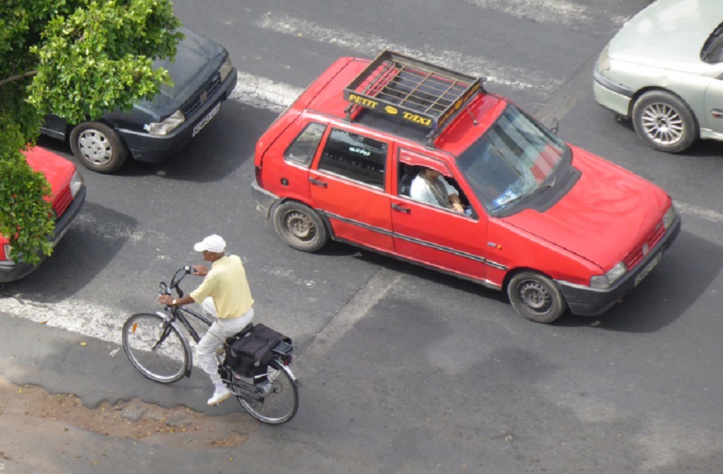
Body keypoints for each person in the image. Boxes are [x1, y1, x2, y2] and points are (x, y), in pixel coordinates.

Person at [158, 234, 254, 406]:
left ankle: (220, 388)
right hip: (247, 311)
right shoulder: (235, 260)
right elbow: (223, 277)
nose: (202, 253)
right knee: (208, 303)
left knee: (202, 350)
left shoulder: (214, 276)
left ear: (210, 254)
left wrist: (173, 301)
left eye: (204, 251)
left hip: (232, 322)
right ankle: (222, 341)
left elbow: (195, 296)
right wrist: (208, 273)